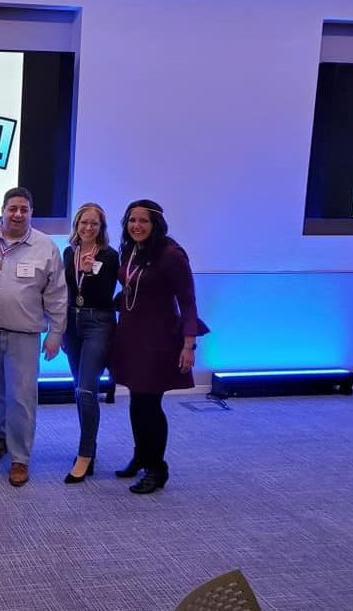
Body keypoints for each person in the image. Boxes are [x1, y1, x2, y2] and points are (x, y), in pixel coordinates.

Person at [108, 199, 209, 494]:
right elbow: (131, 288)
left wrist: (189, 344)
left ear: (156, 225)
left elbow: (188, 302)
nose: (137, 226)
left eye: (143, 221)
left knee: (150, 404)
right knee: (136, 401)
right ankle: (141, 455)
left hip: (158, 339)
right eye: (131, 220)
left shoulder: (172, 255)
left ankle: (157, 468)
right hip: (130, 335)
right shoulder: (129, 250)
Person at [0, 187, 67, 487]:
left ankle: (20, 458)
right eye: (12, 208)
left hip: (25, 335)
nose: (17, 214)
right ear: (2, 210)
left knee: (22, 399)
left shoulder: (46, 246)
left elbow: (56, 294)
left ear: (30, 212)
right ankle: (0, 438)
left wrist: (56, 333)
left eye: (23, 209)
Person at [62, 203, 119, 484]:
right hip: (72, 323)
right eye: (84, 223)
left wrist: (90, 272)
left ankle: (84, 455)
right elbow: (68, 292)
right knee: (78, 388)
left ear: (101, 228)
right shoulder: (69, 252)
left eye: (94, 224)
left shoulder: (109, 256)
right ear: (76, 225)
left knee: (87, 389)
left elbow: (102, 292)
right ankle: (90, 450)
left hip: (98, 322)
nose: (88, 228)